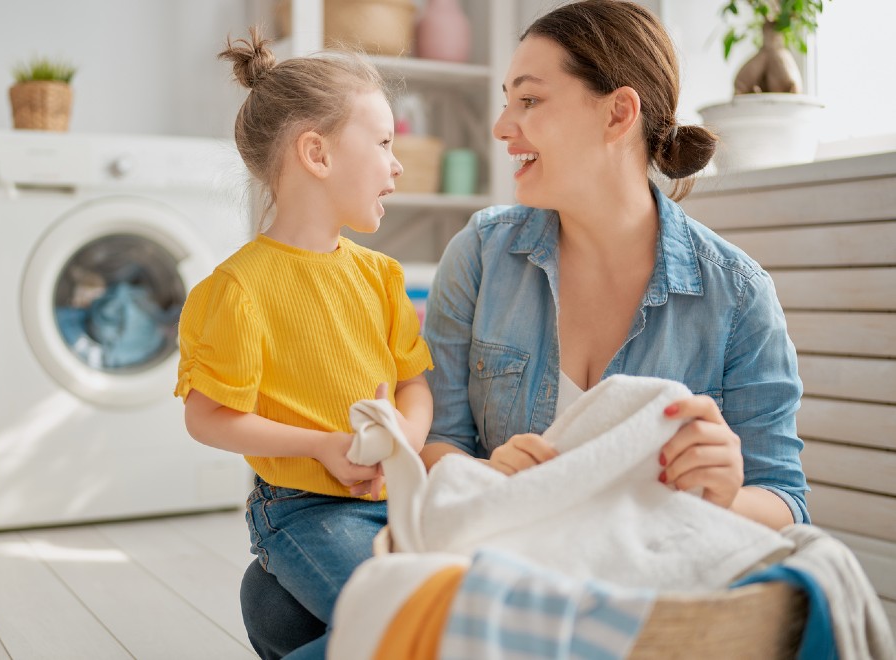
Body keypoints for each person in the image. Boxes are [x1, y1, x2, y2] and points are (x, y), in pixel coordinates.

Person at [238, 1, 812, 656]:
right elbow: (441, 441)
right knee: (274, 597)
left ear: (617, 114)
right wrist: (485, 475)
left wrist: (723, 490)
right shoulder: (482, 254)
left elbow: (785, 503)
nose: (502, 125)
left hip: (632, 573)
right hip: (508, 556)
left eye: (530, 101)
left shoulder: (735, 295)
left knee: (282, 608)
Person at [175, 28, 434, 660]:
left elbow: (414, 384)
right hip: (302, 510)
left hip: (395, 496)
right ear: (316, 154)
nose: (397, 163)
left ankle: (280, 606)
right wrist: (323, 445)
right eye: (382, 142)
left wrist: (403, 437)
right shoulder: (238, 288)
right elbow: (208, 416)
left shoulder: (382, 276)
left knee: (459, 597)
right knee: (415, 623)